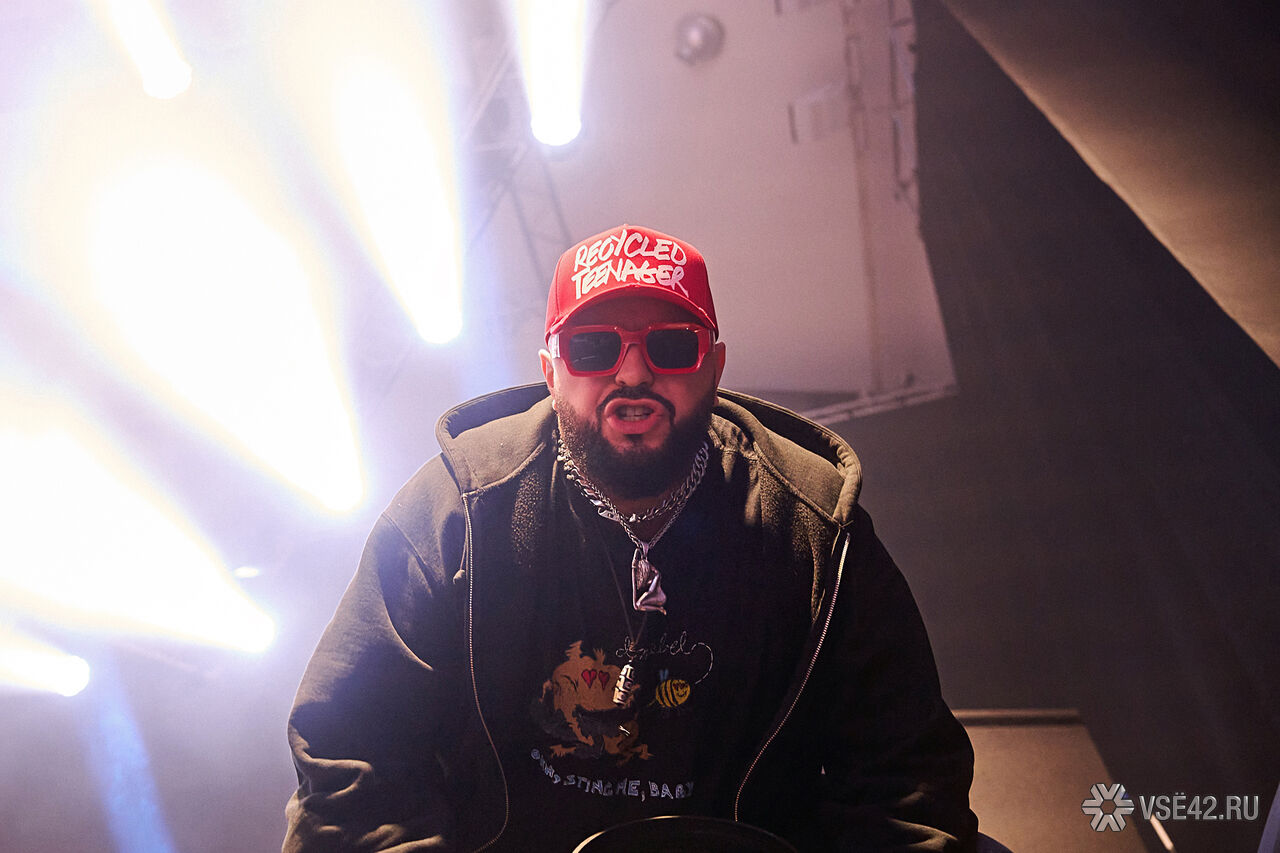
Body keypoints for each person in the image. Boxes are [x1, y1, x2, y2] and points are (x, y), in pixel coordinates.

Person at [283, 224, 979, 852]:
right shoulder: (457, 513)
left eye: (672, 346)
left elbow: (905, 780)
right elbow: (352, 754)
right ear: (550, 371)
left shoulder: (813, 530)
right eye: (594, 347)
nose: (634, 374)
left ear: (715, 366)